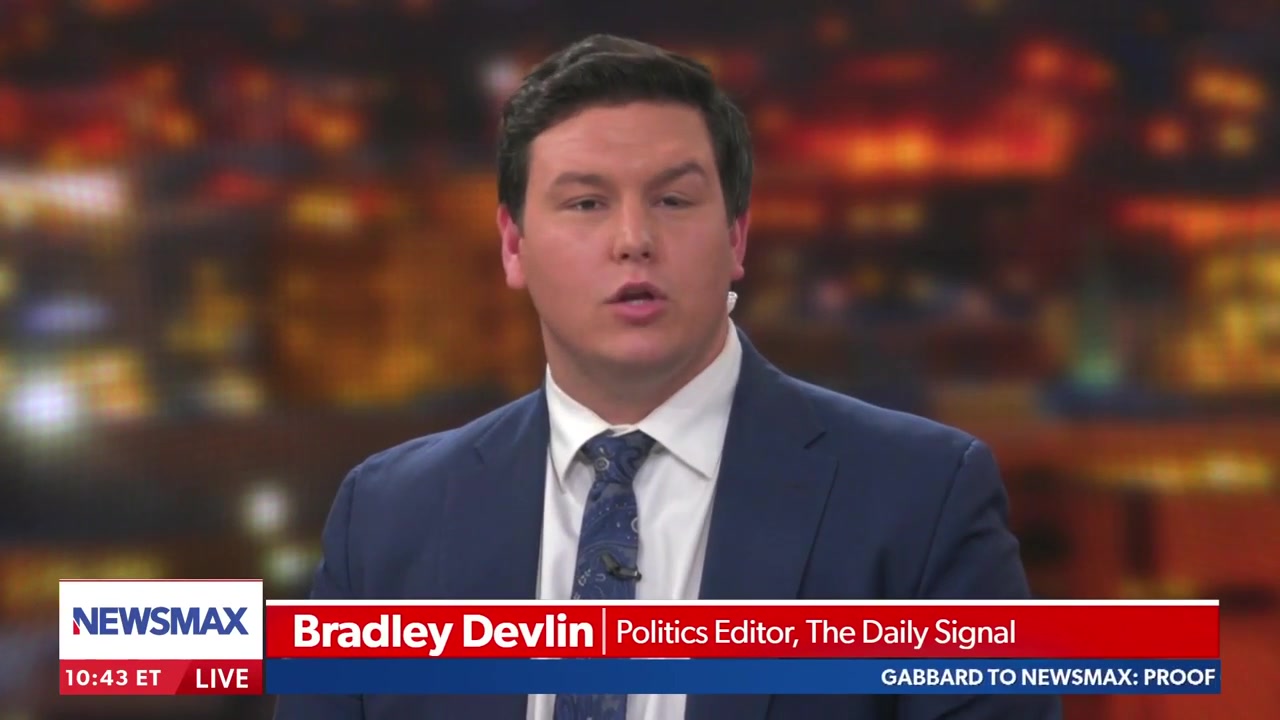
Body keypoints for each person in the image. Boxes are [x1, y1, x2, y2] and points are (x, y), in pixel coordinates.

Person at [274, 34, 1061, 720]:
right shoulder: (387, 519)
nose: (633, 239)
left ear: (737, 237)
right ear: (513, 246)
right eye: (586, 203)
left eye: (674, 200)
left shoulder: (921, 501)